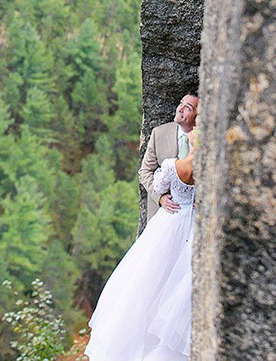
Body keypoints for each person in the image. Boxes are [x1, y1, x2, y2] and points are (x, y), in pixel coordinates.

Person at [84, 127, 199, 361]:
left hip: (170, 222)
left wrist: (166, 195)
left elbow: (157, 185)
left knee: (148, 279)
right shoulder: (208, 170)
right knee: (178, 283)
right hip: (194, 225)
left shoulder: (173, 165)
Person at [139, 93, 199, 221]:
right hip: (163, 216)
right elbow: (145, 172)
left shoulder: (208, 140)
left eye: (188, 107)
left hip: (194, 218)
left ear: (198, 117)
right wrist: (160, 198)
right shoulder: (159, 133)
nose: (180, 109)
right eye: (181, 103)